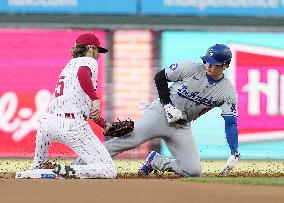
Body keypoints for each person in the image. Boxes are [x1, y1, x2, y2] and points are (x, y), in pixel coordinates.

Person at [103, 44, 240, 177]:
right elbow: (160, 77)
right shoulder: (190, 68)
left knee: (193, 171)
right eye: (207, 61)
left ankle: (156, 161)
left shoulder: (227, 92)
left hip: (181, 125)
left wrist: (234, 151)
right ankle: (86, 159)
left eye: (214, 63)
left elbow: (230, 123)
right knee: (131, 141)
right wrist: (168, 105)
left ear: (225, 65)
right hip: (160, 113)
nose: (208, 65)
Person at [31, 33, 116, 179]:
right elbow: (82, 74)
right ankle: (69, 170)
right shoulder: (89, 62)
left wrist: (104, 125)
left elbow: (84, 106)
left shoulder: (70, 64)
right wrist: (95, 98)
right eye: (97, 50)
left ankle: (37, 165)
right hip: (73, 127)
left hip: (48, 124)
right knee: (108, 170)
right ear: (90, 48)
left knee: (38, 166)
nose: (97, 55)